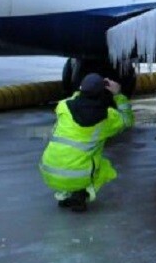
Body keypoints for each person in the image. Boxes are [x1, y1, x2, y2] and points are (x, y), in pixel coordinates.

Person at [39, 73, 134, 212]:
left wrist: (87, 87)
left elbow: (75, 98)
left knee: (71, 156)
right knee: (104, 166)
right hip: (78, 176)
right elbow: (127, 120)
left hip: (48, 171)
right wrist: (118, 95)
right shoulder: (108, 118)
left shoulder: (63, 106)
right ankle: (81, 194)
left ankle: (64, 195)